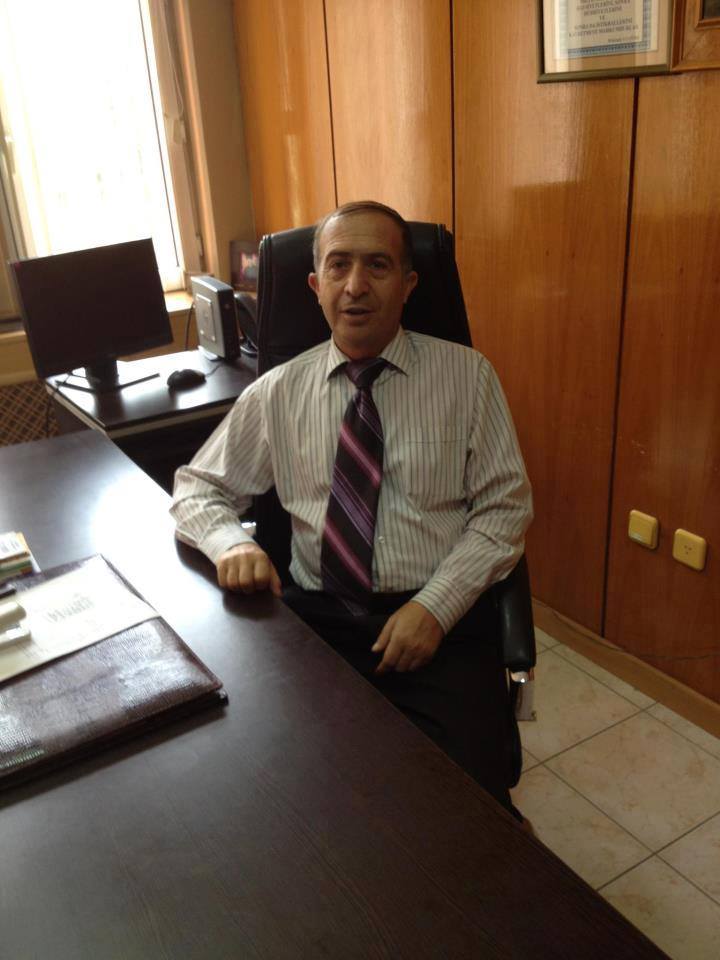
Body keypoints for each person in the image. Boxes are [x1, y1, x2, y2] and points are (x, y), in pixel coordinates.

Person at [171, 201, 533, 816]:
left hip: (437, 621)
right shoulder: (278, 391)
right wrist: (231, 543)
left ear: (409, 283)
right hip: (319, 622)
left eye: (377, 266)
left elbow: (505, 509)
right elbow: (196, 487)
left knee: (464, 810)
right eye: (339, 266)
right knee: (286, 794)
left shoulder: (468, 378)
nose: (356, 286)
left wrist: (436, 607)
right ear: (316, 285)